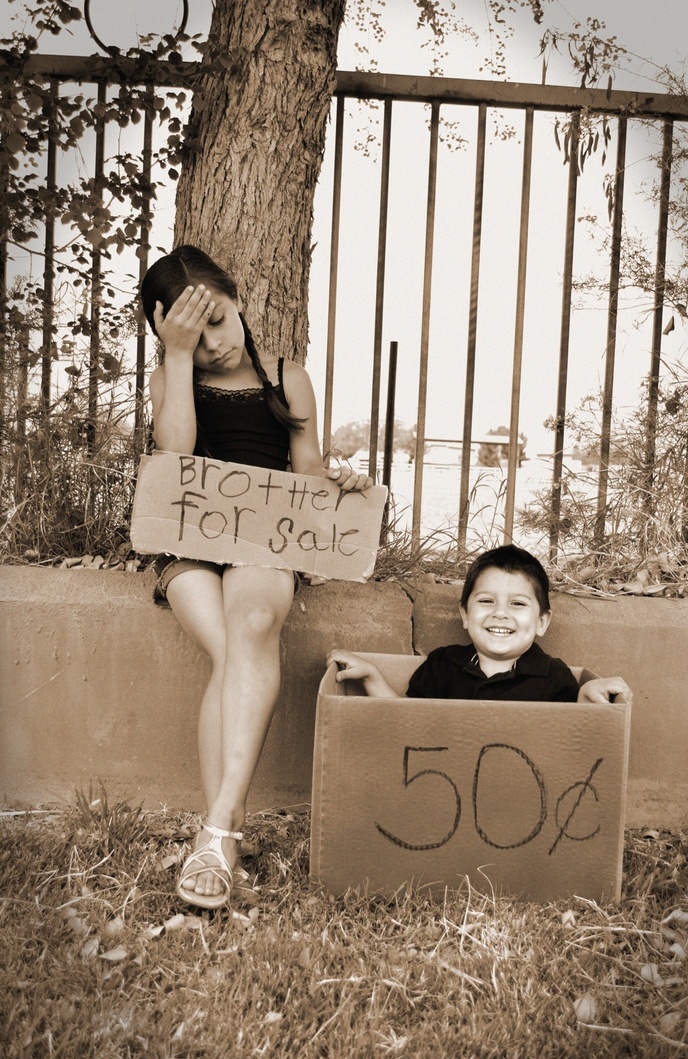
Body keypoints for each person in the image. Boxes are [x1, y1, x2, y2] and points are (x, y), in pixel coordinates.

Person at [141, 245, 372, 910]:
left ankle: (215, 834)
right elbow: (176, 454)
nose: (212, 342)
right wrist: (177, 357)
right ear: (166, 331)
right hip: (189, 545)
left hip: (268, 540)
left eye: (217, 321)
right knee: (232, 652)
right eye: (192, 331)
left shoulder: (285, 376)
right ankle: (224, 831)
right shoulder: (172, 375)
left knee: (250, 625)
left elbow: (308, 471)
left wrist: (339, 483)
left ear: (238, 302)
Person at [327, 544, 632, 704]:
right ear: (464, 614)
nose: (500, 613)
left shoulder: (553, 676)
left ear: (541, 622)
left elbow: (575, 735)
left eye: (518, 604)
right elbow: (406, 719)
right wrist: (372, 677)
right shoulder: (442, 665)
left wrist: (587, 694)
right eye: (486, 601)